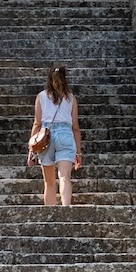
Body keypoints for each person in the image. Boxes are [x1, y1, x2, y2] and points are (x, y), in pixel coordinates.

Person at [28, 63, 82, 206]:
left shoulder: (41, 97)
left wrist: (31, 151)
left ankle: (51, 215)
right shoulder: (71, 98)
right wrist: (78, 152)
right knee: (64, 177)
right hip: (65, 135)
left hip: (46, 137)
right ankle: (65, 209)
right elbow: (75, 127)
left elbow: (37, 124)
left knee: (49, 183)